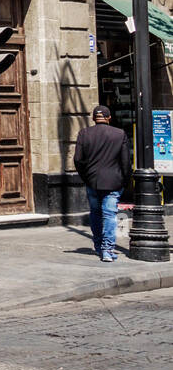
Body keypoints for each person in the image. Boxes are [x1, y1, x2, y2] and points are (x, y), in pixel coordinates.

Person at [73, 105, 130, 262]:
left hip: (92, 181)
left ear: (93, 118)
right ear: (109, 117)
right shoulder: (119, 134)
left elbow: (78, 159)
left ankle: (98, 245)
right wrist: (125, 180)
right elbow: (125, 162)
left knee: (96, 213)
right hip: (113, 181)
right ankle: (107, 250)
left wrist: (86, 177)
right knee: (110, 215)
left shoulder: (84, 134)